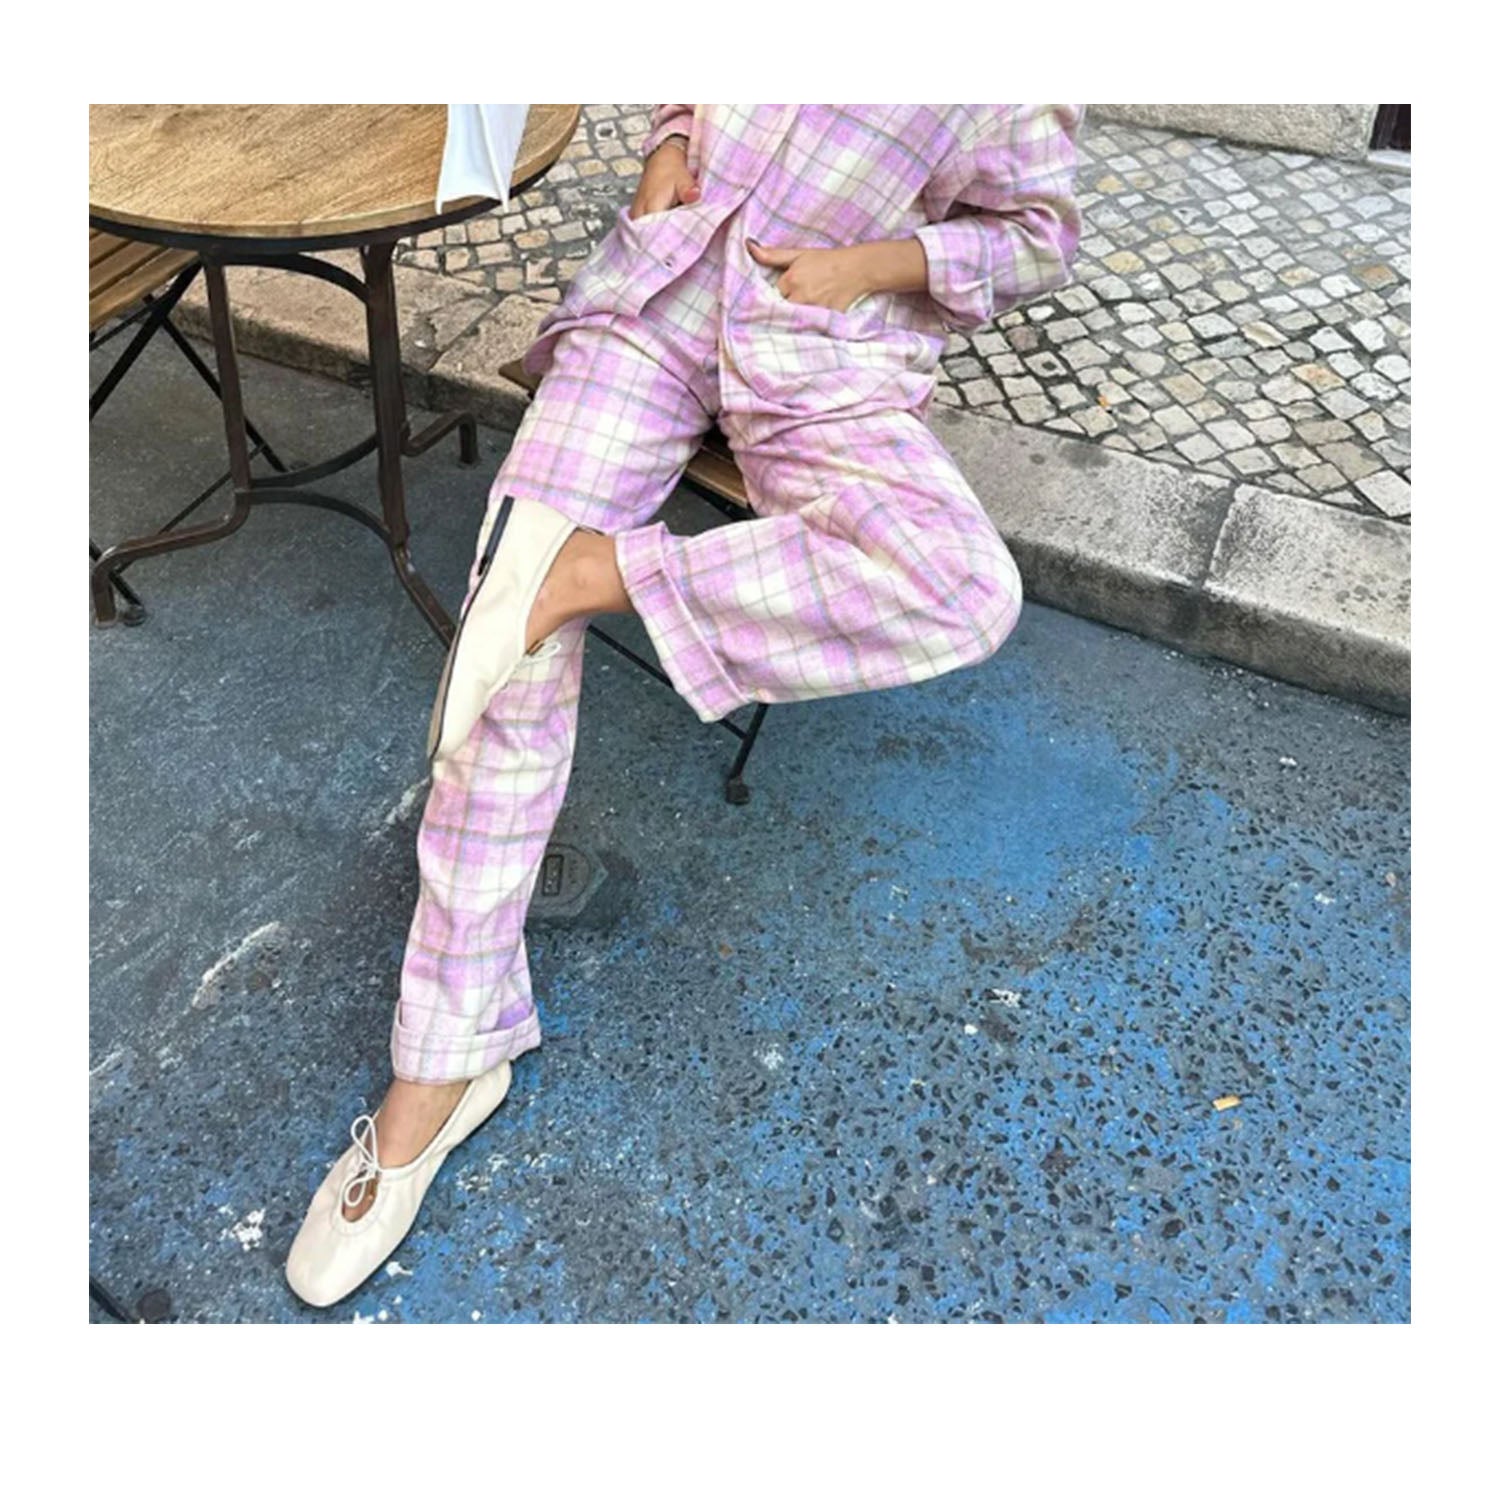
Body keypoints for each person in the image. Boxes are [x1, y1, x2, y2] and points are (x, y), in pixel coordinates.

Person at [286, 104, 1083, 1307]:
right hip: (653, 306)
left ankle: (596, 573)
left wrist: (872, 266)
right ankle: (443, 1064)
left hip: (822, 350)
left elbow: (1034, 235)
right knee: (504, 662)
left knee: (962, 587)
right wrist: (667, 148)